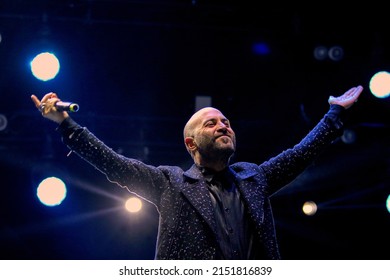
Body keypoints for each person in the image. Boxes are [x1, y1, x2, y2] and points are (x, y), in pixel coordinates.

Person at [31, 85, 363, 260]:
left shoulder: (254, 178)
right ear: (192, 143)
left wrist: (334, 113)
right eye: (212, 123)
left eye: (226, 122)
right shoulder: (170, 183)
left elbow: (298, 155)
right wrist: (65, 124)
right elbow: (114, 163)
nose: (223, 126)